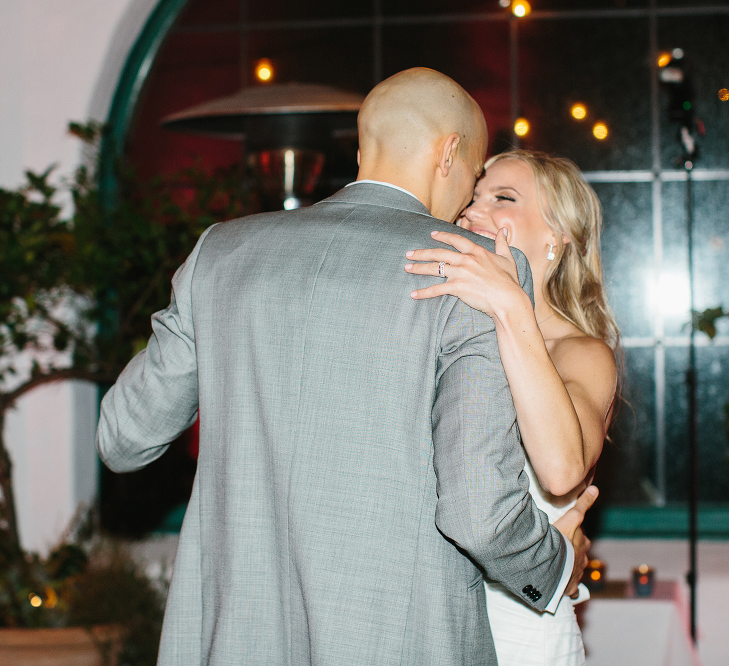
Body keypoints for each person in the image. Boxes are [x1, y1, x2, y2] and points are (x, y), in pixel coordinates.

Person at [97, 68, 596, 665]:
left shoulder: (220, 253)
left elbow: (122, 437)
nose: (468, 200)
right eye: (473, 176)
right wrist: (557, 564)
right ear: (451, 153)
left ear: (363, 151)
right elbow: (477, 512)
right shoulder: (469, 267)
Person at [404, 150, 620, 665]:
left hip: (524, 635)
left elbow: (563, 469)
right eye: (471, 196)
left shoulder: (583, 353)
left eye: (503, 198)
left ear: (556, 236)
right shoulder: (440, 332)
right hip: (428, 630)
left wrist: (510, 303)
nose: (472, 209)